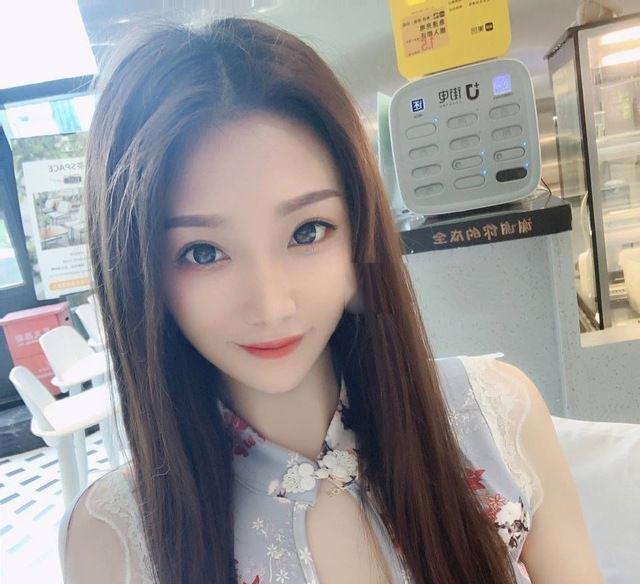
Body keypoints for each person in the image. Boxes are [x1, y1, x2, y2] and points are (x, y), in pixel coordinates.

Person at [58, 15, 603, 584]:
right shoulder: (113, 536)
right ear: (140, 275)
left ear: (361, 234)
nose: (271, 305)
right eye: (202, 252)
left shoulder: (495, 416)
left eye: (307, 231)